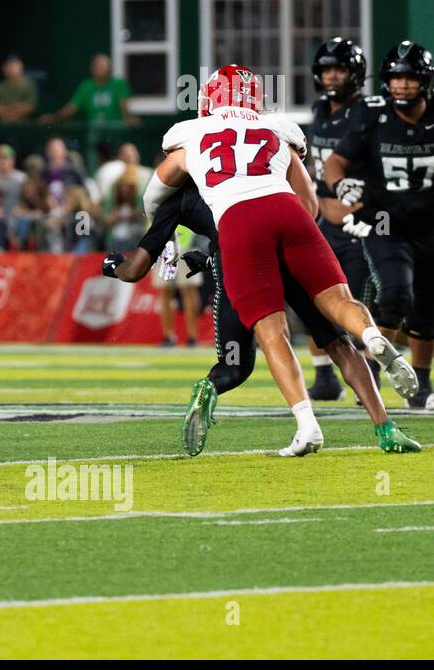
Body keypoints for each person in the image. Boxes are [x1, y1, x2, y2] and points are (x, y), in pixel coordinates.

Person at [148, 64, 418, 457]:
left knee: (271, 335)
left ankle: (307, 425)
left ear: (208, 100)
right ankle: (378, 366)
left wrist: (157, 228)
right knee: (341, 317)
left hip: (240, 229)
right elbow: (309, 205)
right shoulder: (278, 129)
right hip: (288, 214)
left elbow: (155, 193)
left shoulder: (188, 136)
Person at [104, 178, 415, 455]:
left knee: (240, 361)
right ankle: (385, 426)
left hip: (240, 252)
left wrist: (113, 264)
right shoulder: (254, 157)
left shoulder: (177, 198)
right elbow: (309, 203)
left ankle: (223, 391)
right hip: (287, 230)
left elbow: (136, 269)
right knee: (338, 340)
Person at [323, 41, 434, 409]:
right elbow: (334, 162)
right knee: (395, 294)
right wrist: (342, 186)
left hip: (430, 226)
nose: (401, 85)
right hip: (387, 224)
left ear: (424, 81)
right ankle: (371, 371)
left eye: (409, 78)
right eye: (396, 78)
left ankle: (421, 385)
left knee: (427, 308)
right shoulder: (373, 118)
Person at [302, 37, 379, 402]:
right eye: (326, 69)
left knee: (364, 299)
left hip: (360, 218)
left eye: (340, 69)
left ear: (356, 73)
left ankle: (371, 370)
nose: (332, 76)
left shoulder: (368, 112)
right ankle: (324, 376)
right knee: (310, 296)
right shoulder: (319, 109)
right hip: (321, 219)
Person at [43, 53, 139, 127]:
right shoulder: (86, 86)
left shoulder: (119, 84)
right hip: (94, 132)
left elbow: (125, 108)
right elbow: (71, 108)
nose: (100, 69)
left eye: (103, 66)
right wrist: (54, 118)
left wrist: (130, 119)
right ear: (92, 68)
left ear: (110, 68)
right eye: (97, 66)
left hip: (115, 130)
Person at [0, 56, 38, 123]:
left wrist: (9, 111)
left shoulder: (29, 85)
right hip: (2, 124)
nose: (11, 69)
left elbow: (30, 107)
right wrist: (13, 108)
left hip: (24, 124)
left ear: (21, 68)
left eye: (14, 66)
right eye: (9, 66)